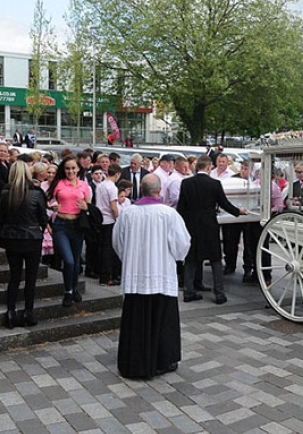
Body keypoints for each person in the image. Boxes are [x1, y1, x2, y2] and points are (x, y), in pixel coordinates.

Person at [113, 173, 191, 379]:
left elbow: (118, 242)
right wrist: (177, 258)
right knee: (162, 320)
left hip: (135, 276)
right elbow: (182, 244)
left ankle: (133, 362)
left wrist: (128, 259)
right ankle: (161, 360)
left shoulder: (127, 213)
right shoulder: (169, 214)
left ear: (141, 190)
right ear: (159, 191)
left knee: (136, 321)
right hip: (161, 274)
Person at [177, 155, 245, 304]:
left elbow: (181, 206)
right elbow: (224, 203)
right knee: (215, 259)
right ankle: (219, 294)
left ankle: (188, 291)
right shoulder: (215, 183)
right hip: (209, 225)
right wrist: (238, 211)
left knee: (191, 258)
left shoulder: (186, 183)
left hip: (191, 225)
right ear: (208, 167)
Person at [0, 161, 49, 329]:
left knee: (14, 276)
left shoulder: (5, 193)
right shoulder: (36, 193)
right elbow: (43, 217)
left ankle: (11, 311)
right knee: (30, 277)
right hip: (32, 237)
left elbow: (1, 217)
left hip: (12, 237)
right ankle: (28, 311)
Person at [46, 155, 92, 308]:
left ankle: (73, 288)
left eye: (73, 168)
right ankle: (68, 291)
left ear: (78, 169)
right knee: (69, 260)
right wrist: (52, 206)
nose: (70, 171)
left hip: (77, 225)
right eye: (67, 168)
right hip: (61, 225)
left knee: (76, 260)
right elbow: (46, 199)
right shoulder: (58, 183)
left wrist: (86, 207)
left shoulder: (84, 185)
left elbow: (90, 206)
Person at [96, 164, 122, 286]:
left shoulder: (100, 185)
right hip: (109, 220)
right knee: (108, 249)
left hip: (100, 219)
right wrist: (118, 218)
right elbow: (113, 206)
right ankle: (106, 276)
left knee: (102, 247)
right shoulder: (112, 188)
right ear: (117, 174)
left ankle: (102, 274)